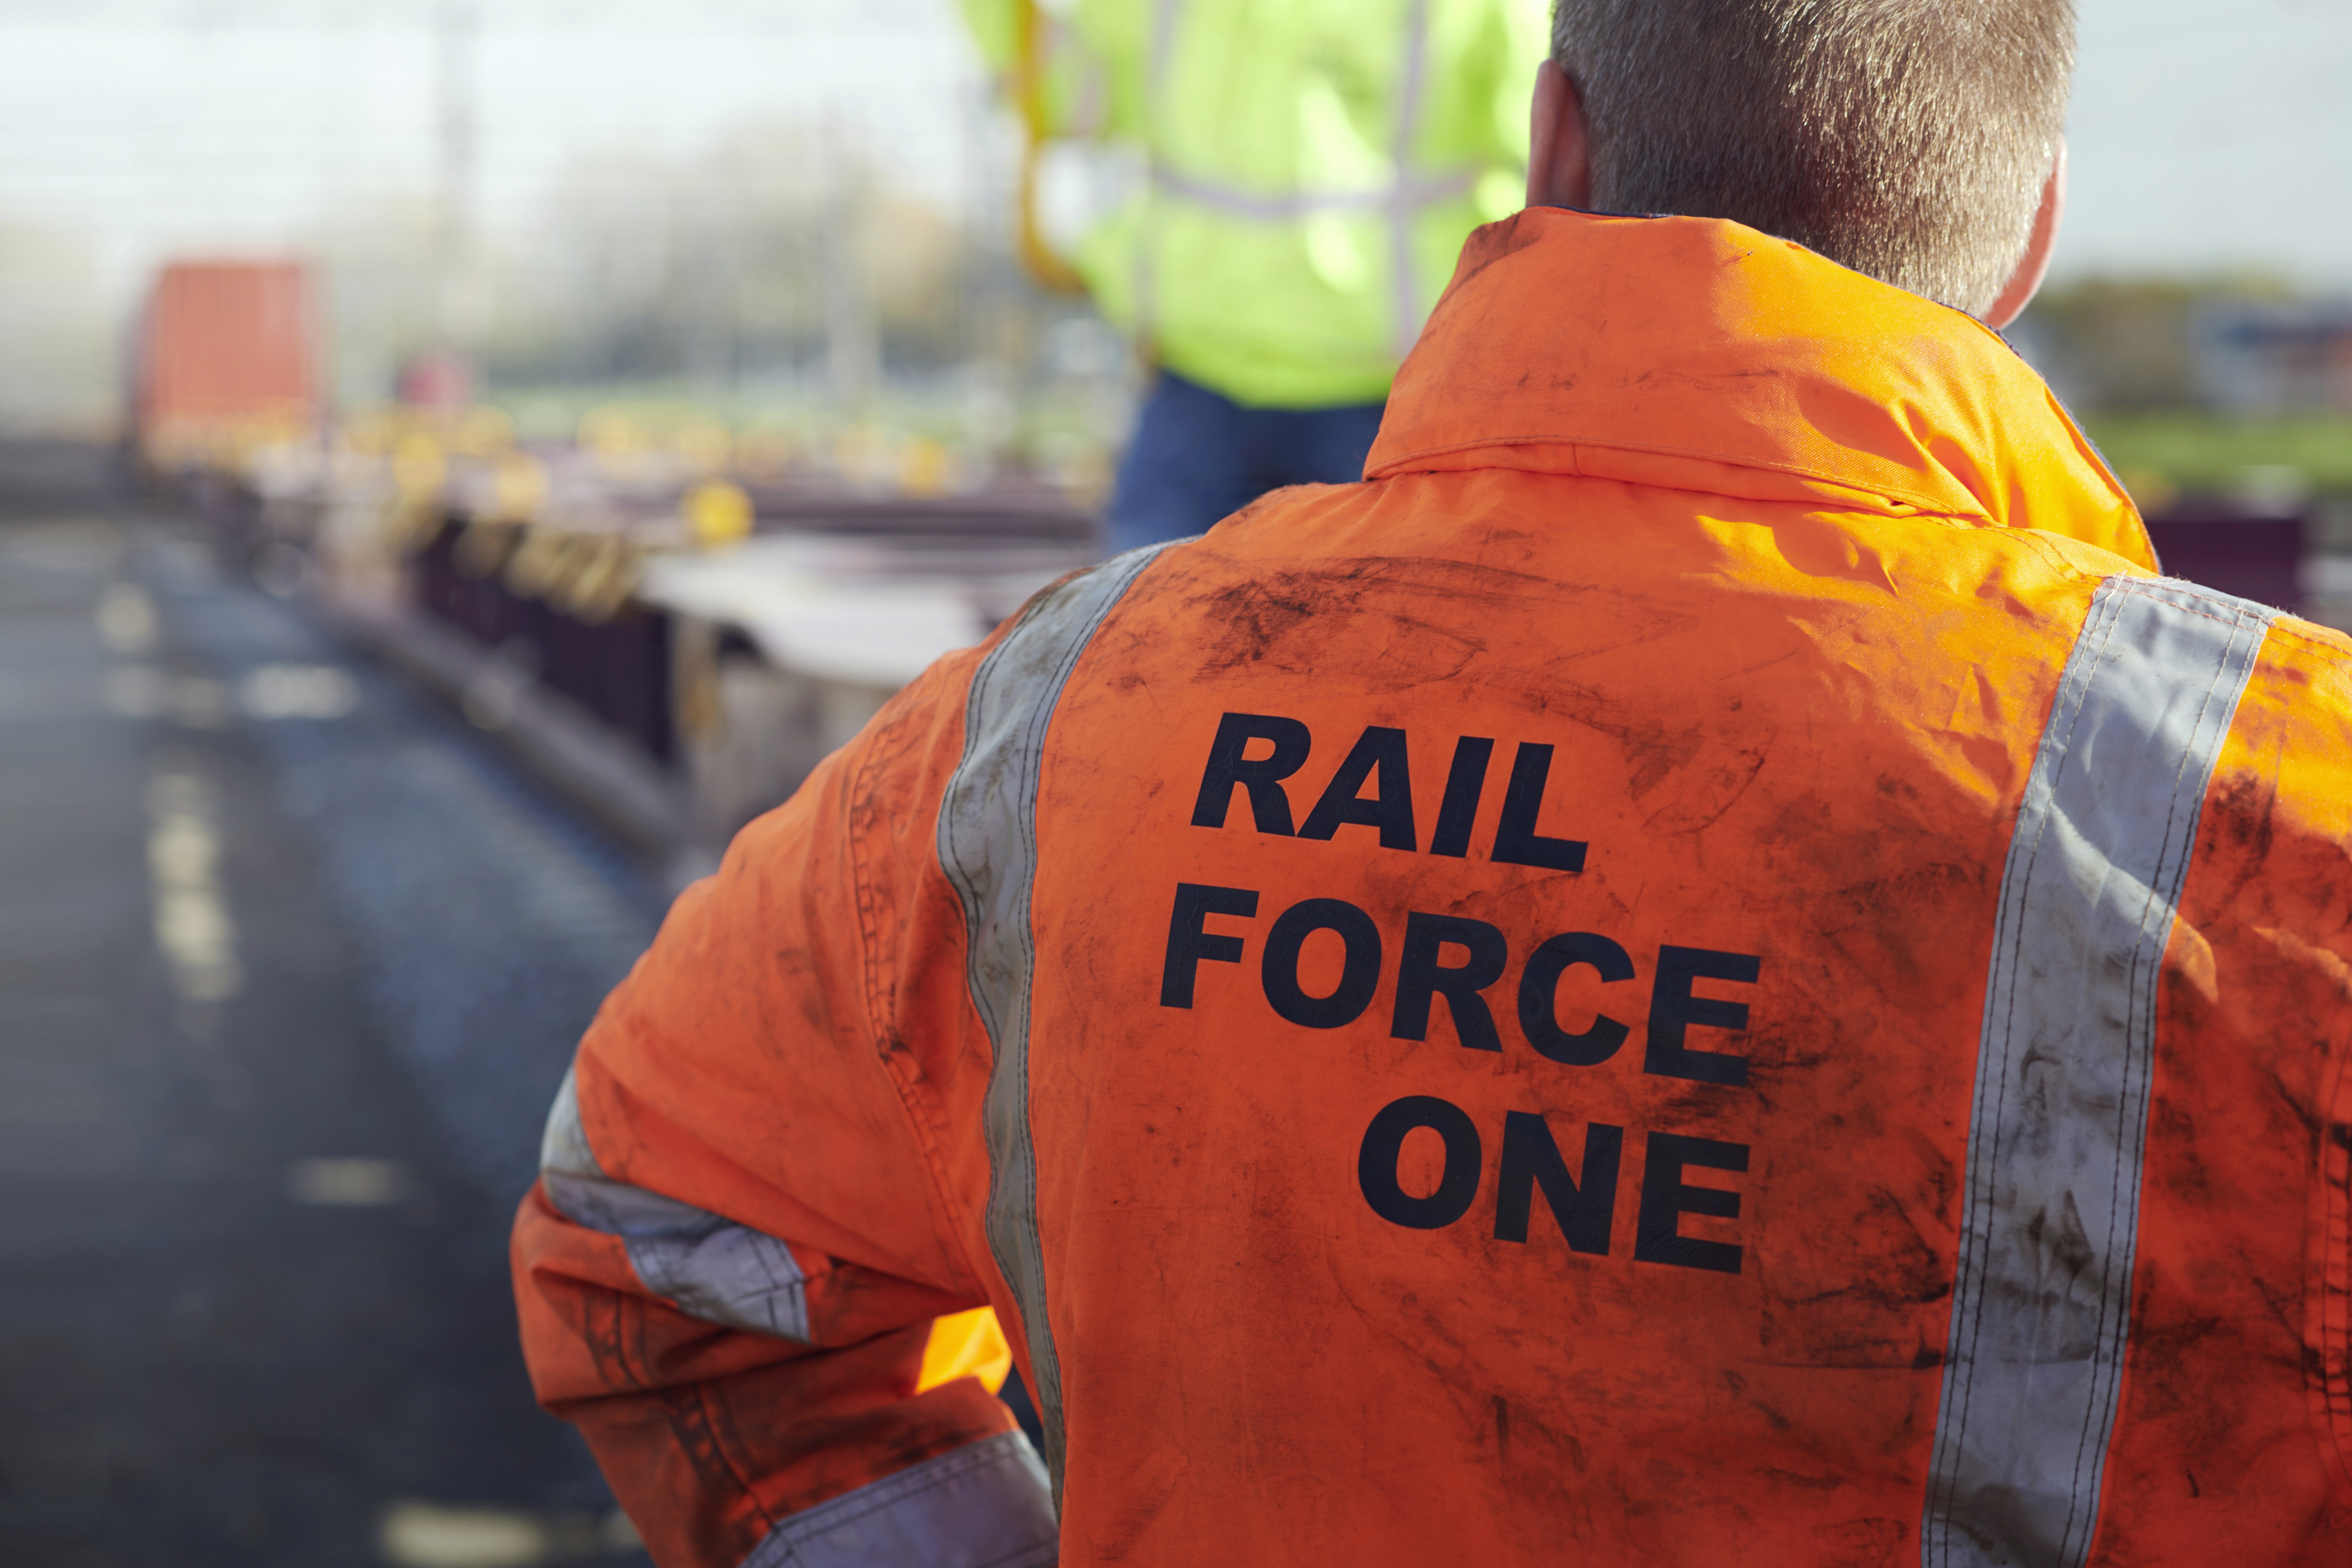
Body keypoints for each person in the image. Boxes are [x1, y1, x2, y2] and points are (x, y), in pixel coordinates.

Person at [514, 2, 2352, 1563]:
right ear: (2025, 234)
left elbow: (650, 1230)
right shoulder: (2269, 813)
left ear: (1552, 142)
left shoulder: (1055, 715)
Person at [957, 0, 1549, 553]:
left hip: (1392, 401)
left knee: (1382, 652)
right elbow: (1071, 97)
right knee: (1139, 651)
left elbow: (1540, 143)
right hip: (1198, 382)